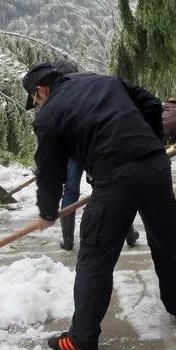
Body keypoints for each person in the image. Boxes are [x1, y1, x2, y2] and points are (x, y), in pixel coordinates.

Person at [23, 63, 176, 350]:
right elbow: (152, 103)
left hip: (114, 176)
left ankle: (82, 338)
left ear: (41, 90)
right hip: (155, 165)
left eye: (36, 100)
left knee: (94, 257)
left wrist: (47, 209)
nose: (38, 105)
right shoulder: (106, 82)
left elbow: (51, 169)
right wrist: (152, 142)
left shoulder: (49, 113)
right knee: (164, 239)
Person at [50, 59, 139, 250]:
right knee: (111, 188)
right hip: (101, 144)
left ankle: (67, 241)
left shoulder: (56, 92)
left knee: (70, 191)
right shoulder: (94, 82)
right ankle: (130, 236)